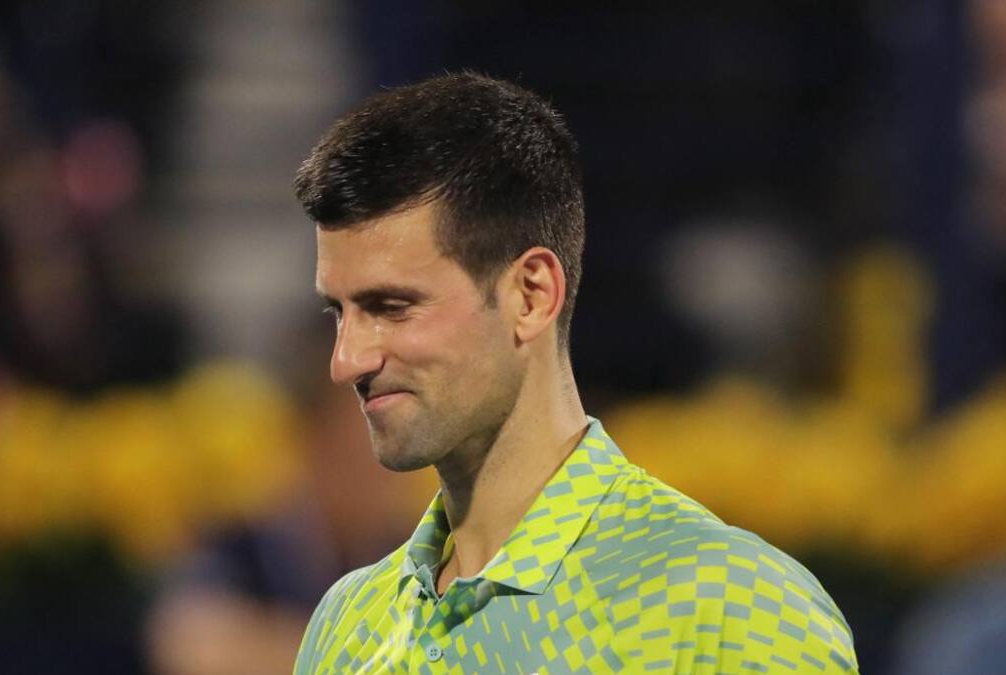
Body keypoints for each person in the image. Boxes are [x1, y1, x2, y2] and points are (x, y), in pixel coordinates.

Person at [291, 72, 858, 674]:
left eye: (391, 307)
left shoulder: (732, 608)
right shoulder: (346, 626)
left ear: (531, 295)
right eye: (340, 312)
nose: (347, 359)